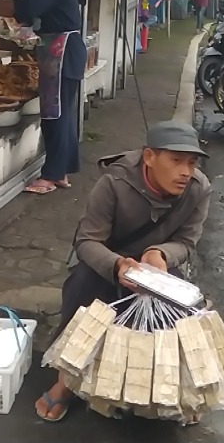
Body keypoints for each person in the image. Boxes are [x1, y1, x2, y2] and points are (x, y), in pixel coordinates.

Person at [35, 121, 212, 422]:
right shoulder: (114, 183)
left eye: (191, 163)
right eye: (176, 160)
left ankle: (176, 389)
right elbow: (88, 240)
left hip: (157, 267)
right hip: (109, 260)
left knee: (186, 313)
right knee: (83, 289)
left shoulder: (199, 189)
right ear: (149, 157)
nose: (186, 171)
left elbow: (187, 242)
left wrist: (161, 254)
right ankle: (67, 381)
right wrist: (117, 265)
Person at [17, 0, 87, 195]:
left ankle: (51, 175)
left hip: (62, 53)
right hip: (63, 52)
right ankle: (63, 170)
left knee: (54, 115)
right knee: (62, 114)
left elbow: (29, 7)